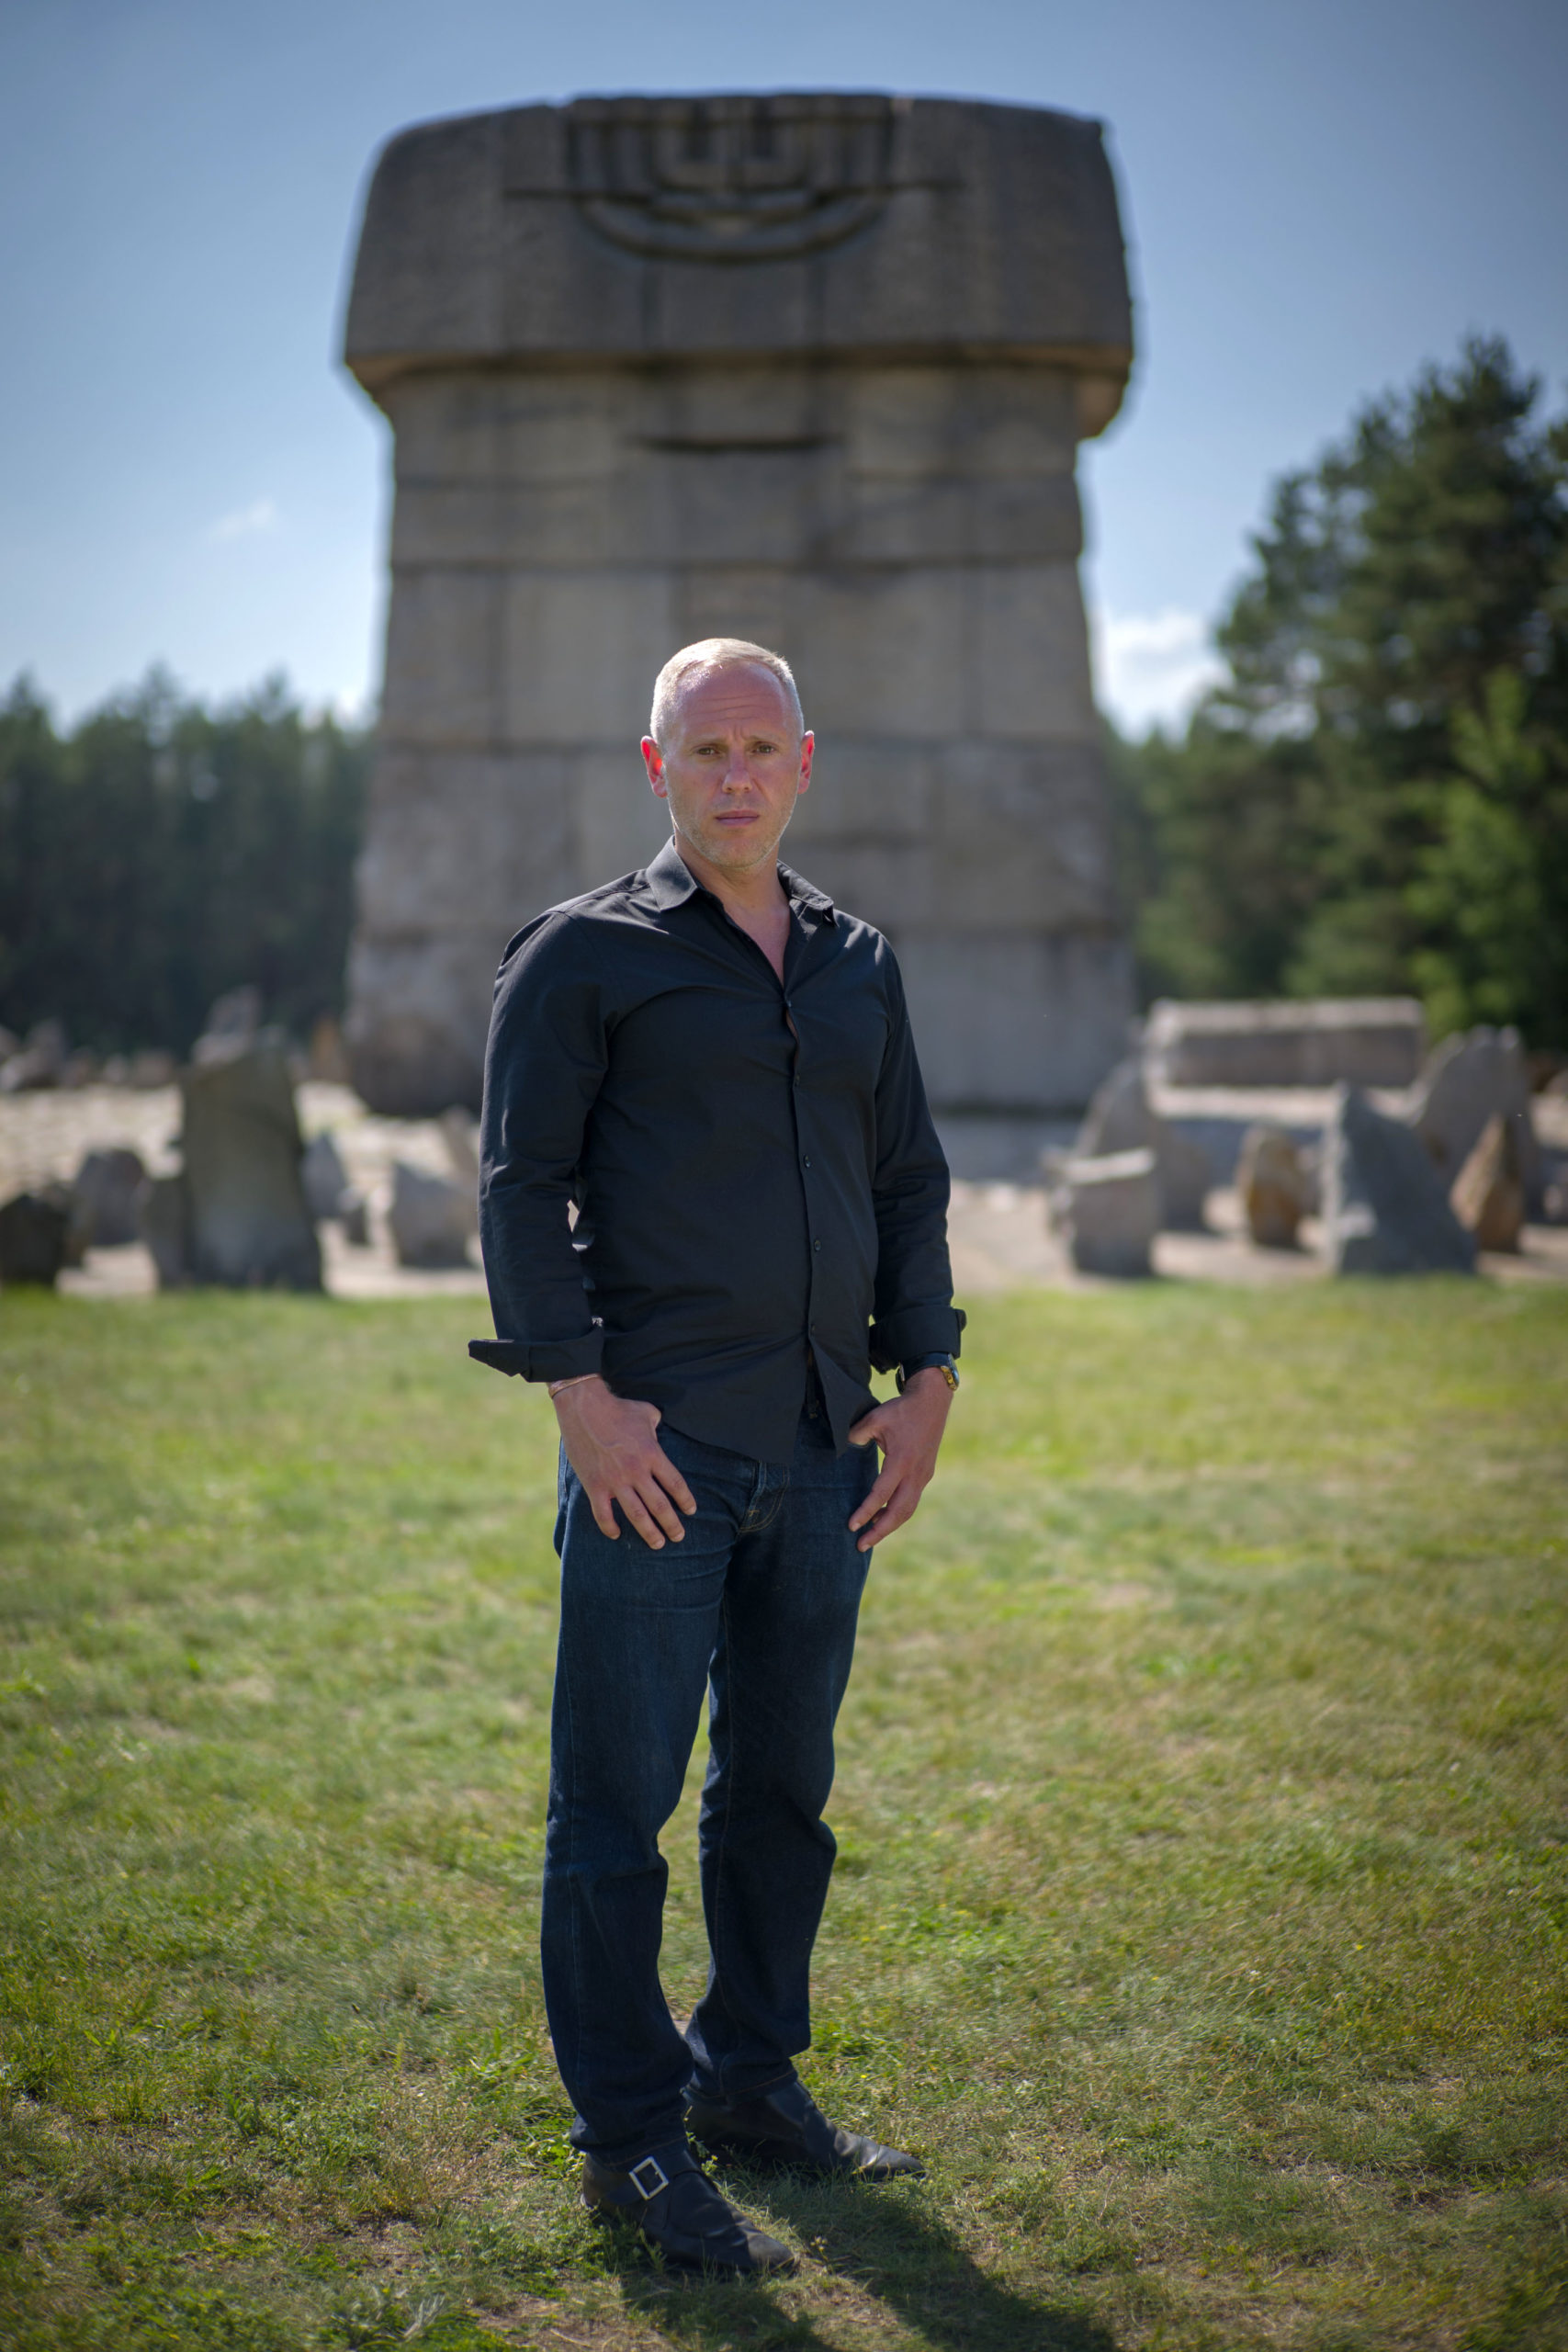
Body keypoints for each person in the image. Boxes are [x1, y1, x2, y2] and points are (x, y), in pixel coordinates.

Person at [470, 638, 964, 2276]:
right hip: (656, 1459)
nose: (736, 774)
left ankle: (750, 2077)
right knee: (614, 1809)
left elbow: (905, 1181)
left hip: (828, 1451)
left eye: (762, 747)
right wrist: (580, 1402)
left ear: (804, 763)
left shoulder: (856, 964)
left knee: (783, 1798)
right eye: (708, 750)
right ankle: (629, 2138)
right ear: (656, 765)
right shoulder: (583, 958)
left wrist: (932, 1373)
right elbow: (518, 1187)